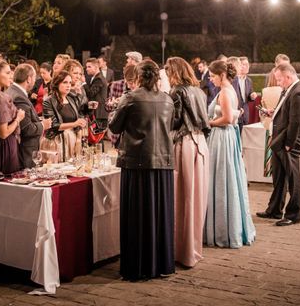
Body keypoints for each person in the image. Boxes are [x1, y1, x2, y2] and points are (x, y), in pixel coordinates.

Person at [109, 60, 175, 281]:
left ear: (137, 77)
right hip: (163, 163)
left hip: (137, 163)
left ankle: (137, 266)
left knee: (137, 215)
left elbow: (114, 127)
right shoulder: (168, 99)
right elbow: (170, 127)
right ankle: (160, 263)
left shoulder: (130, 97)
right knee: (159, 215)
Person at [204, 60, 256, 246]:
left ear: (222, 75)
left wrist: (207, 122)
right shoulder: (229, 91)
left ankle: (222, 229)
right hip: (227, 137)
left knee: (220, 179)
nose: (210, 79)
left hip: (222, 137)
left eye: (212, 76)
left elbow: (226, 119)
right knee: (225, 178)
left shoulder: (225, 92)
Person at [165, 57, 210, 268]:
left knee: (181, 196)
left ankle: (179, 250)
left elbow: (174, 121)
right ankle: (192, 247)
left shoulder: (177, 92)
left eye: (167, 71)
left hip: (183, 142)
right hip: (200, 142)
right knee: (196, 196)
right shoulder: (199, 91)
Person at [256, 63, 300, 226]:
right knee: (279, 178)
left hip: (289, 142)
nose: (278, 83)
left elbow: (296, 122)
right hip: (280, 140)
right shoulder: (290, 90)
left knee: (293, 179)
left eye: (280, 79)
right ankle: (274, 210)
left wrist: (289, 144)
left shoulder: (299, 92)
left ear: (288, 76)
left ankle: (294, 214)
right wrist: (275, 113)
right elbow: (288, 113)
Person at [6, 64, 52, 168]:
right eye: (35, 78)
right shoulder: (19, 97)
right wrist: (43, 125)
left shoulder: (11, 91)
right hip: (25, 150)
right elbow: (26, 129)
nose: (35, 81)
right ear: (29, 79)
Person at [42, 71, 87, 161]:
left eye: (70, 83)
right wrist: (74, 124)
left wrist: (78, 137)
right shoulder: (49, 101)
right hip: (56, 142)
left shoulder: (71, 99)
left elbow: (78, 117)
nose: (68, 85)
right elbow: (54, 125)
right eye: (65, 82)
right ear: (57, 84)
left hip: (72, 140)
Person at [260, 68, 282, 178]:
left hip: (269, 124)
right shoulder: (283, 91)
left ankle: (270, 171)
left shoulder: (265, 91)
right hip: (280, 125)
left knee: (270, 150)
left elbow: (263, 109)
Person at [233, 56, 258, 130]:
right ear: (239, 66)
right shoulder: (233, 80)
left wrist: (252, 96)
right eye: (244, 64)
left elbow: (249, 96)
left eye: (247, 64)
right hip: (235, 113)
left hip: (245, 114)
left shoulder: (249, 80)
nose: (247, 66)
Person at [85, 57, 109, 126]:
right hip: (98, 113)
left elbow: (90, 93)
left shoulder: (99, 78)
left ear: (96, 67)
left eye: (89, 67)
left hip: (99, 114)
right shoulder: (96, 77)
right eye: (86, 67)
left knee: (97, 136)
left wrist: (83, 83)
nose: (87, 69)